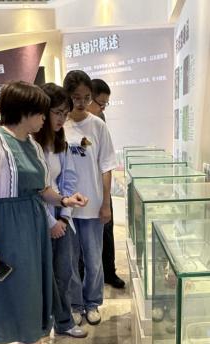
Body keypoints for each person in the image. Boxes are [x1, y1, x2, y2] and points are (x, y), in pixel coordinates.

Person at [0, 81, 87, 344]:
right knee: (19, 287)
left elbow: (42, 190)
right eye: (40, 112)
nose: (45, 118)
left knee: (34, 286)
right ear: (24, 112)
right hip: (7, 225)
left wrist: (65, 200)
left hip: (32, 222)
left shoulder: (33, 145)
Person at [63, 70, 117, 326]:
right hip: (67, 207)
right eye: (76, 97)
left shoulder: (98, 126)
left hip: (94, 206)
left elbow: (106, 166)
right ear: (67, 96)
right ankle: (75, 304)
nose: (82, 102)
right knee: (71, 261)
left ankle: (93, 302)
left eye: (87, 97)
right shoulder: (60, 124)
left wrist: (106, 203)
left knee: (95, 259)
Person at [34, 83, 87, 339]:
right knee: (42, 276)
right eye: (57, 112)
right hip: (39, 218)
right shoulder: (30, 143)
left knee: (64, 272)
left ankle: (64, 322)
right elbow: (33, 189)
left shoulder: (59, 143)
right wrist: (50, 222)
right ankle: (42, 329)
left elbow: (68, 179)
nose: (61, 119)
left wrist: (64, 216)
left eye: (65, 114)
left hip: (62, 214)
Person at [87, 78, 125, 290]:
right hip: (81, 190)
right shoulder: (68, 122)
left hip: (101, 185)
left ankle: (109, 272)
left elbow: (106, 160)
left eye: (105, 104)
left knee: (106, 232)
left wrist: (106, 200)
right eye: (100, 103)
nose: (103, 108)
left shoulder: (99, 121)